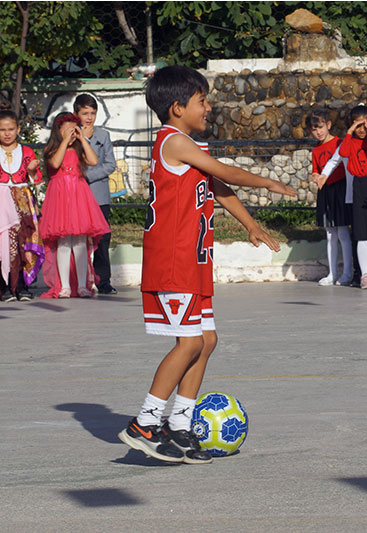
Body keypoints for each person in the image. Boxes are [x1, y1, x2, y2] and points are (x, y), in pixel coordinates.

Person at [118, 65, 297, 464]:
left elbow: (219, 186)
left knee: (208, 340)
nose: (209, 107)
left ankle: (179, 426)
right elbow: (228, 172)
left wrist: (250, 224)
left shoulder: (187, 146)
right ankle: (145, 422)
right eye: (202, 101)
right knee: (191, 342)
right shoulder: (173, 142)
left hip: (194, 262)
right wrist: (267, 182)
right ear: (178, 107)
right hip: (174, 259)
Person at [39, 113, 109, 299]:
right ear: (58, 130)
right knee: (63, 242)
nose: (70, 134)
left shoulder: (79, 149)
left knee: (79, 242)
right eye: (66, 130)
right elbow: (55, 163)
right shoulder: (52, 149)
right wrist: (64, 141)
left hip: (79, 197)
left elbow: (94, 161)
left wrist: (82, 138)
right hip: (60, 198)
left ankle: (82, 285)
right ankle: (65, 286)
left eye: (73, 129)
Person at [74, 94, 118, 295]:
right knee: (77, 239)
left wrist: (87, 176)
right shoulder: (71, 136)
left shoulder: (104, 135)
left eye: (93, 113)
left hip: (99, 194)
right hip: (76, 195)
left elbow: (110, 164)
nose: (89, 118)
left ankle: (103, 281)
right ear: (77, 114)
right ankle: (78, 282)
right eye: (85, 113)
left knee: (102, 239)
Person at [0, 110, 44, 302]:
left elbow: (36, 179)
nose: (7, 133)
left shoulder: (26, 152)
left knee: (23, 242)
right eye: (2, 130)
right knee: (3, 243)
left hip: (22, 201)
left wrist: (32, 171)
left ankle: (22, 285)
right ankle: (4, 286)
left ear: (18, 129)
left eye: (10, 129)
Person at [339, 105, 367, 289]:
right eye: (357, 125)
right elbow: (343, 153)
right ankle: (365, 274)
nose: (362, 129)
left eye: (365, 124)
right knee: (361, 231)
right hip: (360, 185)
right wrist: (349, 132)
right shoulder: (351, 142)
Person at [307, 108, 353, 287]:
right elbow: (316, 170)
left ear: (328, 125)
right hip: (325, 191)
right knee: (330, 233)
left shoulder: (339, 143)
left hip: (340, 188)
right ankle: (332, 273)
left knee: (342, 231)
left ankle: (347, 272)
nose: (317, 132)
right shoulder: (316, 149)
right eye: (314, 128)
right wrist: (316, 176)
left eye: (320, 127)